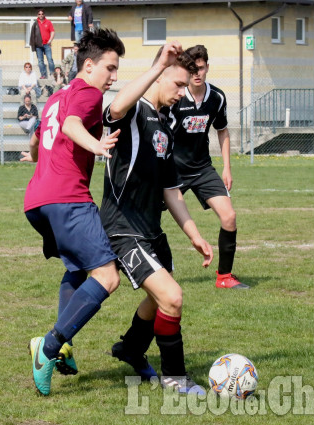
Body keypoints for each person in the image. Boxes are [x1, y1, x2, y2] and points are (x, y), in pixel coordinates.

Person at [100, 42, 213, 395]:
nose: (183, 92)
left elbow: (171, 189)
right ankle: (175, 378)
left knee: (158, 299)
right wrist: (156, 66)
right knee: (173, 297)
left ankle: (131, 348)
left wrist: (194, 233)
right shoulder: (135, 111)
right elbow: (114, 107)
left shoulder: (165, 124)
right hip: (122, 228)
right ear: (159, 78)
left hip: (150, 229)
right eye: (178, 85)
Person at [19, 28, 126, 396]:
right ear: (89, 65)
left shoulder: (55, 97)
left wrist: (40, 163)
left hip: (37, 200)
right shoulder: (87, 93)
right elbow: (71, 125)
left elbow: (35, 142)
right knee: (107, 276)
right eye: (110, 68)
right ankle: (48, 348)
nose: (113, 77)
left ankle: (61, 346)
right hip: (68, 198)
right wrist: (97, 145)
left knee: (78, 270)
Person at [168, 45, 249, 290]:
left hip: (203, 168)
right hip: (173, 170)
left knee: (229, 216)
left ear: (207, 68)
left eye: (201, 68)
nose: (197, 73)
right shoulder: (176, 98)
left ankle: (224, 276)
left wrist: (227, 167)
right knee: (147, 216)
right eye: (192, 69)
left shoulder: (217, 97)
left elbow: (222, 130)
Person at [29, 8, 55, 79]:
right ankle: (43, 75)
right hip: (38, 46)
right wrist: (33, 45)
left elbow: (52, 32)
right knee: (40, 61)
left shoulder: (48, 22)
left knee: (50, 60)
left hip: (47, 44)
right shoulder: (35, 24)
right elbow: (32, 35)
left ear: (44, 14)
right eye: (39, 14)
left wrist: (50, 40)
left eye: (42, 14)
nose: (41, 15)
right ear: (37, 15)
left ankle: (52, 73)